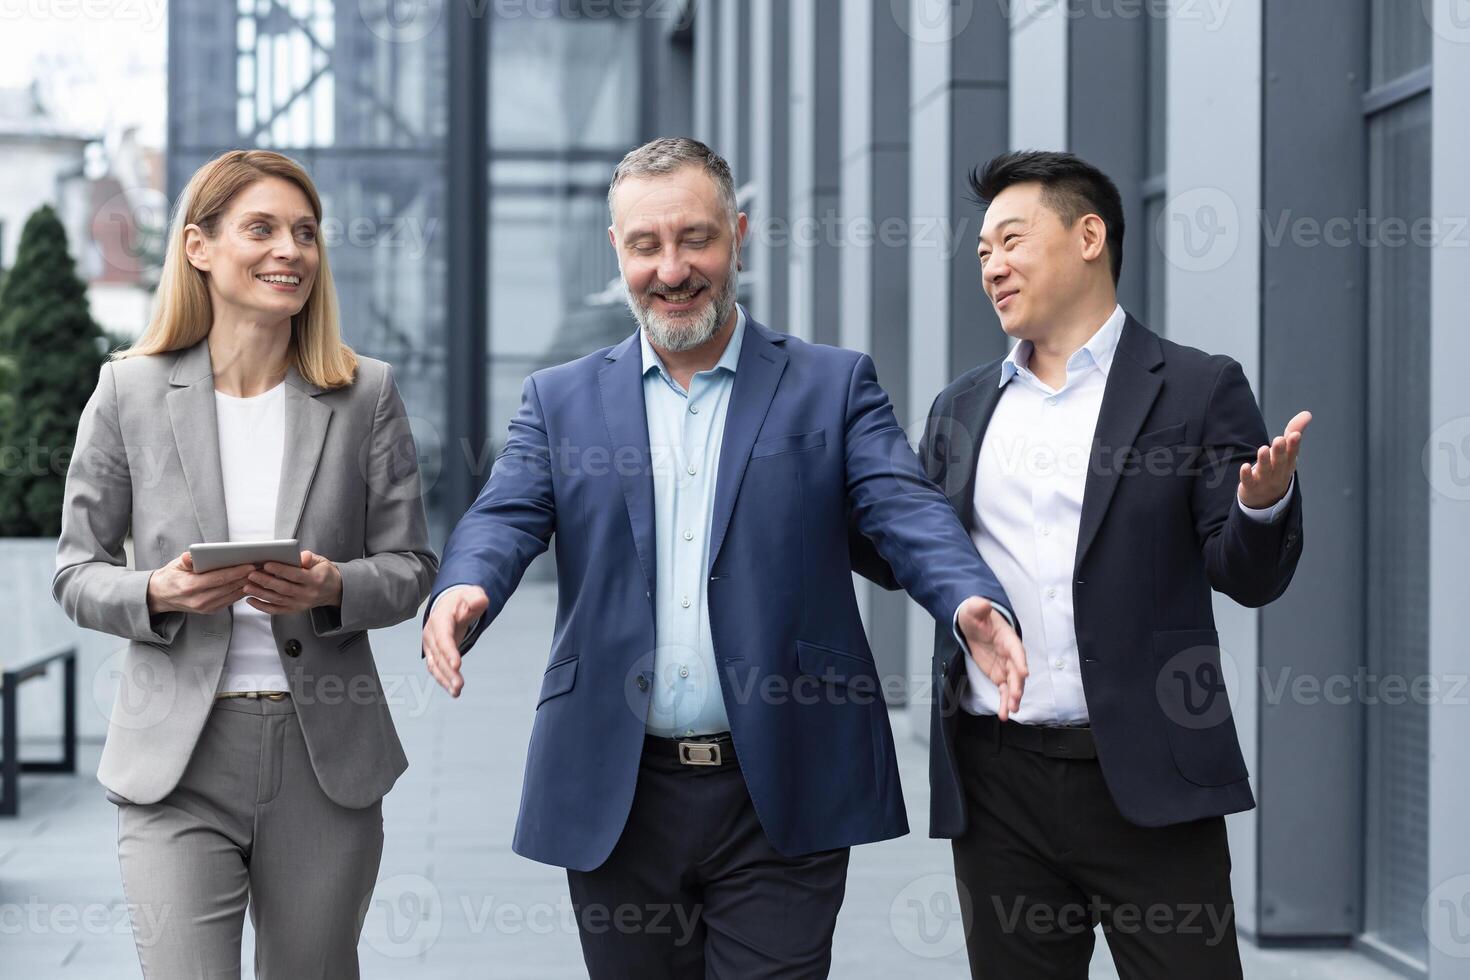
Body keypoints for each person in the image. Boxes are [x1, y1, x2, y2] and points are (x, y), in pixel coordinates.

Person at [420, 137, 1028, 978]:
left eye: (695, 238)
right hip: (616, 788)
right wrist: (464, 587)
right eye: (646, 246)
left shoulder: (831, 384)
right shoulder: (558, 400)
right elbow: (504, 512)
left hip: (780, 779)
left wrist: (966, 600)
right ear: (618, 251)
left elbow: (902, 507)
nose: (672, 270)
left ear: (737, 234)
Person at [875, 150, 1308, 979]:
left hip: (1150, 778)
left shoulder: (1195, 387)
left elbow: (1247, 575)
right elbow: (909, 548)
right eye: (981, 254)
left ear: (1088, 236)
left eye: (1011, 240)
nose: (992, 267)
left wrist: (1262, 503)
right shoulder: (963, 406)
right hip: (997, 785)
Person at [53, 149, 438, 979]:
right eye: (261, 229)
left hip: (324, 756)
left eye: (305, 233)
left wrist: (335, 584)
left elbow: (411, 565)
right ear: (199, 246)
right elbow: (75, 571)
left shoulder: (365, 393)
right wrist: (157, 591)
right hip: (175, 763)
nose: (290, 251)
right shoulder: (129, 392)